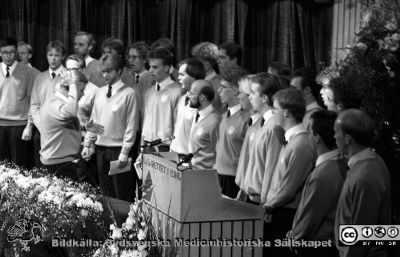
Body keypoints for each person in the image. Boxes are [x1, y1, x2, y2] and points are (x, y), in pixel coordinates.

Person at [263, 88, 316, 257]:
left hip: (287, 216)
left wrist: (267, 206)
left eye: (274, 109)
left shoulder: (301, 145)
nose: (272, 113)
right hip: (279, 212)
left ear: (286, 113)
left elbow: (288, 190)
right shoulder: (292, 141)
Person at [288, 110, 346, 257]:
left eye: (309, 132)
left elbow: (309, 217)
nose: (308, 137)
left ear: (317, 138)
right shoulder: (340, 164)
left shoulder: (323, 174)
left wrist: (294, 236)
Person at [334, 109, 391, 257]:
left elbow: (361, 232)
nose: (334, 137)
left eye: (336, 132)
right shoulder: (373, 161)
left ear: (347, 139)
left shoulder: (365, 177)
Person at [83, 53, 139, 201]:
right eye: (103, 71)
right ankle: (110, 224)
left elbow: (131, 125)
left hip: (119, 150)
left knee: (122, 194)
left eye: (109, 71)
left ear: (119, 71)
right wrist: (88, 144)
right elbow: (94, 120)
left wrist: (125, 151)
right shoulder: (100, 92)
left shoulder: (129, 94)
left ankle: (124, 224)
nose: (105, 75)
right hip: (102, 149)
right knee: (106, 193)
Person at [237, 73, 283, 204]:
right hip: (251, 195)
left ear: (264, 98)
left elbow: (271, 168)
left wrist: (265, 202)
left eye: (252, 93)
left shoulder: (273, 126)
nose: (249, 96)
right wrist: (244, 188)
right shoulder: (262, 123)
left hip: (261, 201)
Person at [40, 70, 87, 181]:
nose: (83, 94)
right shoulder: (54, 103)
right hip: (59, 164)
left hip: (62, 162)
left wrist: (85, 127)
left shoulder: (59, 103)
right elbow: (70, 113)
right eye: (81, 90)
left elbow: (62, 125)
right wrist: (72, 85)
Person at [0, 37, 37, 168]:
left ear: (15, 52)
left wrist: (29, 125)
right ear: (0, 53)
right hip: (0, 126)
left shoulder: (28, 72)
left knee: (19, 168)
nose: (8, 55)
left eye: (11, 52)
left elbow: (33, 101)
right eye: (4, 52)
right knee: (2, 169)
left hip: (20, 126)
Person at [214, 66, 249, 198]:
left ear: (235, 90)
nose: (219, 90)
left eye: (223, 87)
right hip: (219, 174)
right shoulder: (224, 114)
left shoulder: (246, 118)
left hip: (234, 179)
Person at [30, 40, 66, 167]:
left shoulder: (69, 77)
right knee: (41, 172)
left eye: (57, 55)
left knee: (61, 172)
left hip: (62, 132)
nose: (53, 58)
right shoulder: (40, 77)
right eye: (50, 55)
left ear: (63, 56)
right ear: (46, 56)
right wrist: (41, 126)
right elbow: (34, 105)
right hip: (41, 131)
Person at [141, 47, 182, 150]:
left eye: (155, 67)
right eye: (150, 67)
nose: (150, 71)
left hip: (165, 147)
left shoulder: (177, 92)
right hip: (147, 145)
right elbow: (145, 121)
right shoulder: (149, 92)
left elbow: (179, 124)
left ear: (166, 68)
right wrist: (141, 146)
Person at [170, 58, 205, 155]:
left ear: (194, 77)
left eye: (182, 75)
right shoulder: (182, 99)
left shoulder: (203, 104)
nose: (178, 78)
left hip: (187, 158)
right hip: (174, 153)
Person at [188, 80, 220, 170]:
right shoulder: (197, 114)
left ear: (202, 97)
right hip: (193, 172)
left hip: (206, 176)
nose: (188, 96)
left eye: (191, 93)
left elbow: (219, 152)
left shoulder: (214, 122)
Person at [191, 42, 223, 112]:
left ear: (209, 62)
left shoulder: (218, 83)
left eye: (200, 60)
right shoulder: (195, 80)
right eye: (197, 59)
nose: (197, 63)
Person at [125, 41, 153, 122]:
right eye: (129, 57)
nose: (130, 60)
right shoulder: (127, 79)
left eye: (134, 57)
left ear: (144, 59)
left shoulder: (151, 79)